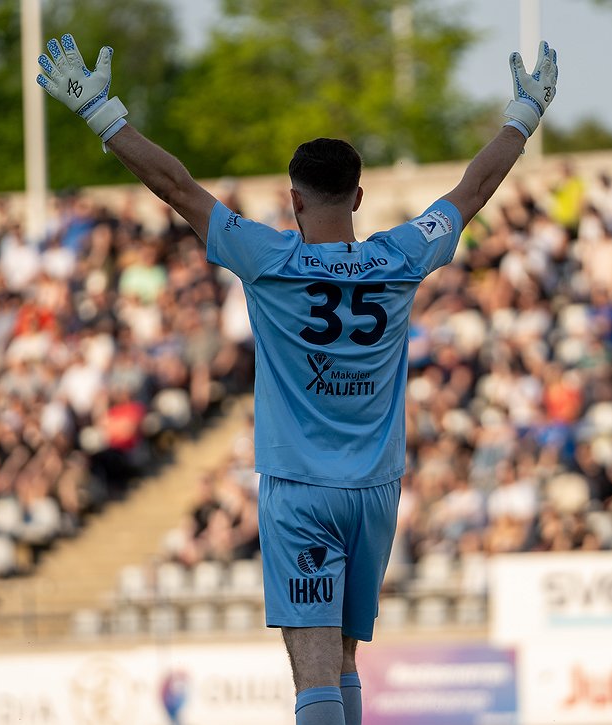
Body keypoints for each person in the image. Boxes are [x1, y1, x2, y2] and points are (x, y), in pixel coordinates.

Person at [38, 32, 558, 725]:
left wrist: (103, 116)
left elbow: (175, 186)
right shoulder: (399, 255)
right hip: (374, 488)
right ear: (359, 194)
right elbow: (473, 188)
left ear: (292, 201)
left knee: (311, 667)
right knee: (342, 662)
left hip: (302, 490)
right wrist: (523, 114)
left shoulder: (267, 257)